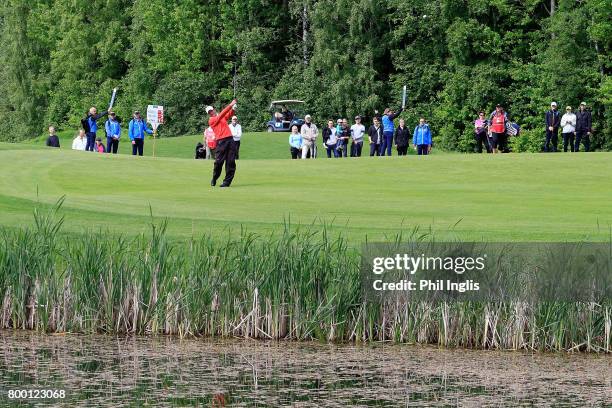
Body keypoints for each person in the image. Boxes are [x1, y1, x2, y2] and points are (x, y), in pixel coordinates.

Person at [207, 99, 238, 187]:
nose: (211, 112)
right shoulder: (211, 120)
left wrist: (233, 109)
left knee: (230, 162)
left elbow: (228, 115)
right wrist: (230, 105)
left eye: (211, 110)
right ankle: (215, 177)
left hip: (230, 140)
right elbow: (221, 115)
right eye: (209, 112)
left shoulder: (221, 117)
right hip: (221, 142)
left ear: (214, 109)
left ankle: (226, 182)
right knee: (219, 162)